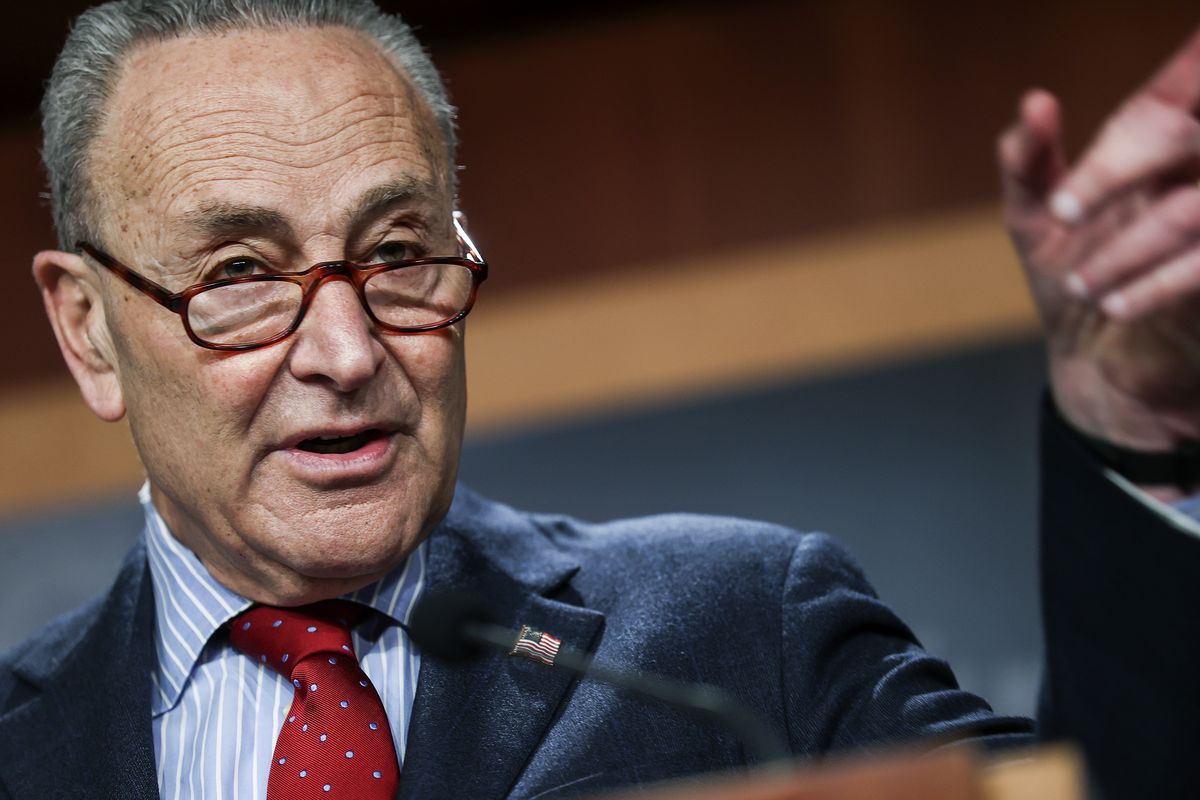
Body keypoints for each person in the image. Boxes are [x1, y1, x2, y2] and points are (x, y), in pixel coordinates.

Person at [1, 0, 1198, 797]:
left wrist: (1132, 427)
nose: (348, 349)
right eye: (244, 275)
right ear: (89, 331)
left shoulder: (741, 631)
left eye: (400, 248)